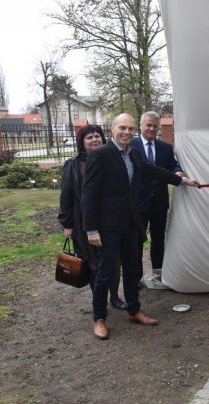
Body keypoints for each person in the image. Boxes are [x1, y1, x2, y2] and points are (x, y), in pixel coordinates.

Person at [82, 113, 201, 340]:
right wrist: (91, 229)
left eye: (130, 129)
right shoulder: (100, 155)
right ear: (112, 129)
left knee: (134, 268)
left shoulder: (133, 153)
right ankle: (99, 318)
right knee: (105, 273)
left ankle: (134, 310)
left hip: (131, 223)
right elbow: (88, 194)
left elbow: (153, 171)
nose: (127, 133)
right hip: (107, 227)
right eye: (122, 128)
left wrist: (183, 181)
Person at [57, 125, 128, 310]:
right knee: (93, 264)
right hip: (84, 223)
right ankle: (99, 300)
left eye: (97, 136)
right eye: (89, 137)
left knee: (114, 262)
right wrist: (67, 224)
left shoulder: (112, 159)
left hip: (111, 221)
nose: (95, 139)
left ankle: (114, 297)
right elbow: (66, 196)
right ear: (82, 142)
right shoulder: (73, 165)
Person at [129, 111, 183, 273]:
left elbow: (174, 166)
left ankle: (158, 272)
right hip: (138, 202)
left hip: (159, 201)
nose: (152, 129)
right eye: (148, 125)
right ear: (141, 126)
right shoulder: (131, 146)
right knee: (136, 240)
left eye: (155, 126)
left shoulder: (165, 148)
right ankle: (135, 275)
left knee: (158, 238)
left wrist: (178, 171)